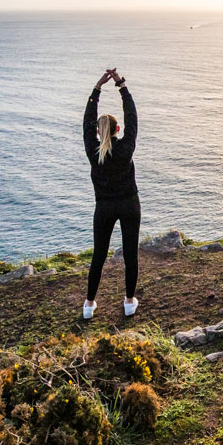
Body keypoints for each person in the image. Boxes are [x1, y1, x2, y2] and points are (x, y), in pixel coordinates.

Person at [82, 68, 140, 319]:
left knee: (98, 255)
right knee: (130, 254)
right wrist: (122, 86)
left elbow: (87, 121)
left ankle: (88, 305)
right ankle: (128, 302)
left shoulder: (93, 151)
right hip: (129, 204)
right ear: (118, 130)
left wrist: (97, 88)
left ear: (98, 132)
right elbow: (133, 118)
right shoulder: (126, 147)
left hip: (103, 208)